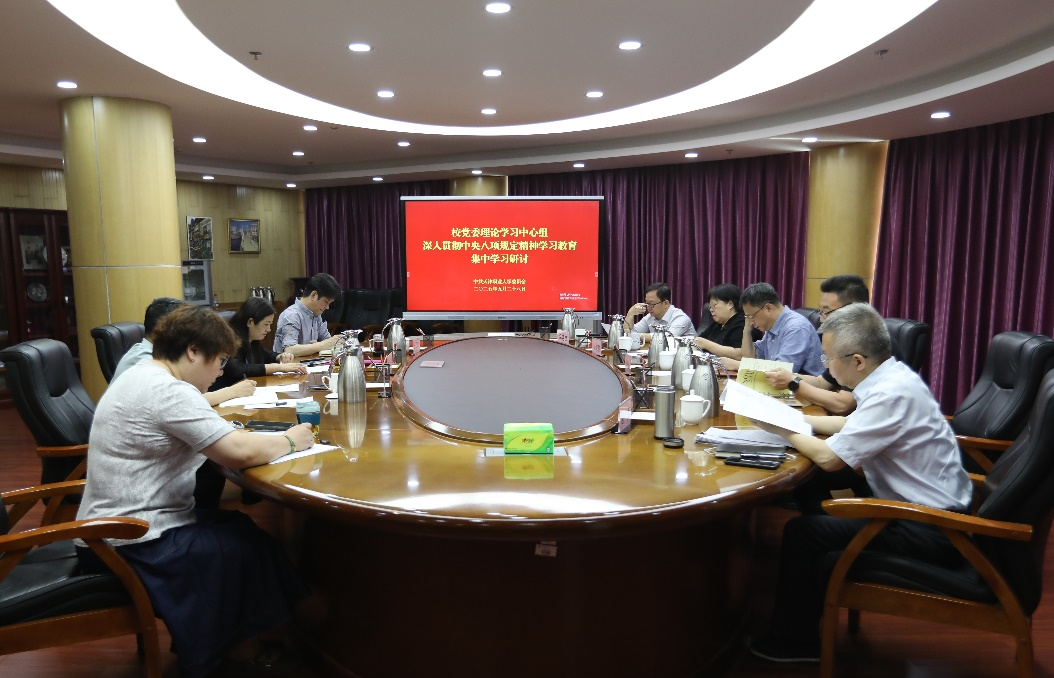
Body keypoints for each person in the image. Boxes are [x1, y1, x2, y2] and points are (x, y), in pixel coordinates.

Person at [75, 305, 319, 678]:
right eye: (219, 362)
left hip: (120, 526)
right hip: (123, 539)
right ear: (192, 351)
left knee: (240, 530)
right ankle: (244, 653)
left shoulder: (145, 374)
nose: (220, 373)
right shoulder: (165, 390)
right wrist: (291, 439)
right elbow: (237, 453)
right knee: (235, 550)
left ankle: (273, 634)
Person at [747, 304, 971, 663]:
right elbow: (850, 427)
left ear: (857, 361)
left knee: (803, 532)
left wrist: (781, 428)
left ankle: (796, 642)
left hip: (930, 527)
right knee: (812, 482)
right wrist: (790, 418)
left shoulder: (890, 394)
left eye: (828, 358)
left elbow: (829, 457)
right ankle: (819, 578)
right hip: (918, 508)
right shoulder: (892, 377)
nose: (825, 366)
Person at [113, 296, 256, 407]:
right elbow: (184, 402)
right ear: (166, 327)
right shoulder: (145, 360)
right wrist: (233, 391)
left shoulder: (163, 358)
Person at [763, 274, 870, 415]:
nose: (821, 319)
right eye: (821, 311)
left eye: (826, 312)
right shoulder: (845, 341)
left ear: (852, 312)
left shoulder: (868, 342)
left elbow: (843, 404)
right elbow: (822, 383)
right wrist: (786, 376)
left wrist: (794, 382)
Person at [723, 282, 823, 375]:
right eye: (747, 317)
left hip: (804, 386)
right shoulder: (773, 327)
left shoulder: (796, 328)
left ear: (768, 308)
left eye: (751, 316)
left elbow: (781, 372)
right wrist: (746, 330)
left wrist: (739, 365)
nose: (751, 322)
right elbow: (750, 357)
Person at [211, 296, 308, 391]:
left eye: (270, 324)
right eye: (266, 324)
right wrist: (278, 367)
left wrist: (280, 357)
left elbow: (265, 355)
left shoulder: (251, 340)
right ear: (250, 322)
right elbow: (238, 369)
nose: (269, 329)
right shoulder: (232, 339)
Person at [273, 273, 342, 357]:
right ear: (313, 295)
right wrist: (320, 345)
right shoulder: (292, 315)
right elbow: (290, 350)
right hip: (289, 364)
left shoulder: (316, 314)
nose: (327, 307)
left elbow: (328, 341)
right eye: (326, 302)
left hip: (309, 362)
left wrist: (326, 344)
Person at [622, 282, 696, 348]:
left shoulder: (680, 318)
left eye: (651, 304)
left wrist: (636, 336)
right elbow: (629, 332)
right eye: (647, 303)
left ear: (665, 303)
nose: (648, 307)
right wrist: (630, 314)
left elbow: (667, 337)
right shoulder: (650, 317)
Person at [693, 283, 747, 359]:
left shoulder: (742, 323)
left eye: (714, 305)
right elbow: (699, 341)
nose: (711, 310)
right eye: (710, 307)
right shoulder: (717, 324)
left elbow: (739, 354)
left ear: (730, 304)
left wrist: (706, 344)